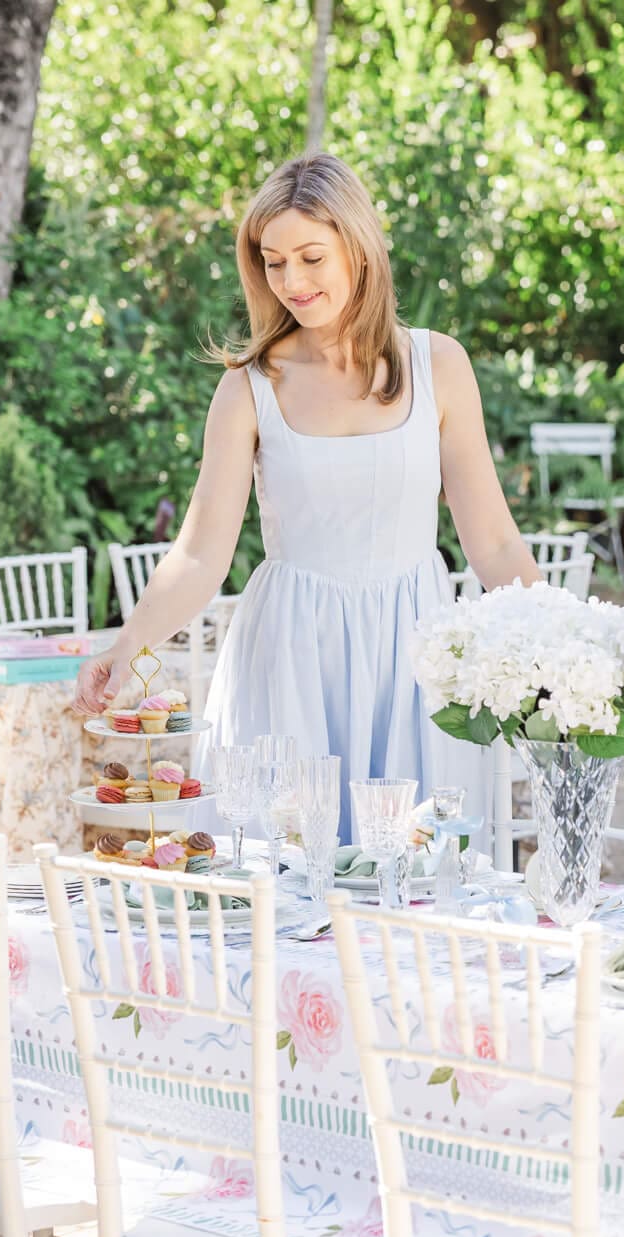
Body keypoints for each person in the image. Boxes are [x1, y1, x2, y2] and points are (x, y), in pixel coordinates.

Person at [73, 154, 538, 838]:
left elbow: (494, 542)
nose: (291, 281)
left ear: (359, 246)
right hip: (289, 655)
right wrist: (128, 643)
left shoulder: (440, 366)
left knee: (416, 875)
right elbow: (200, 554)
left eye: (311, 257)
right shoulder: (248, 387)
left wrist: (561, 644)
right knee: (284, 880)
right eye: (273, 261)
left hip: (416, 655)